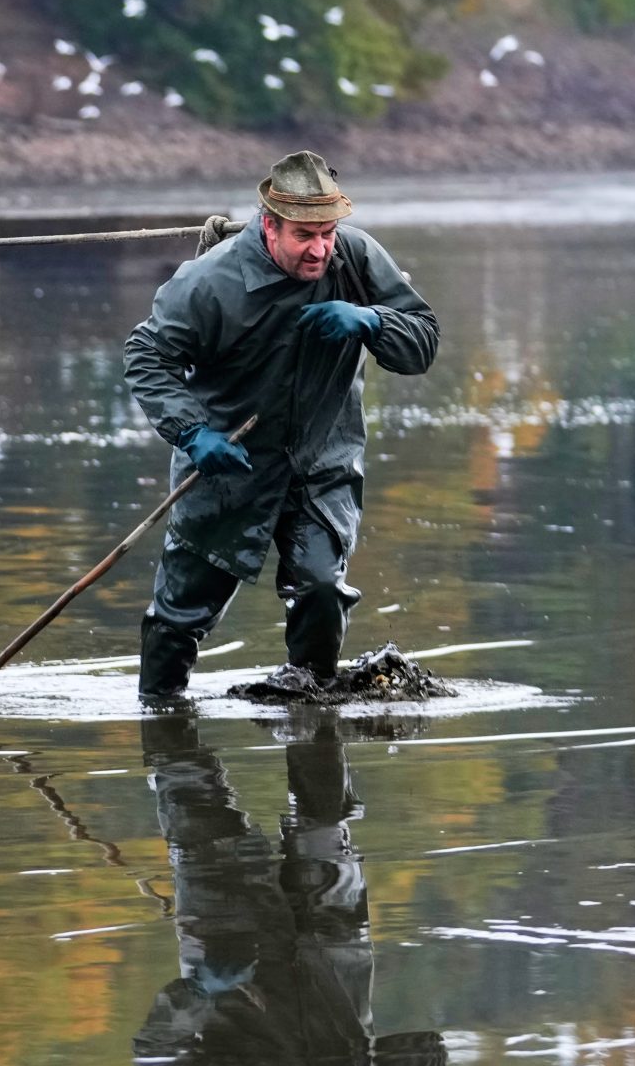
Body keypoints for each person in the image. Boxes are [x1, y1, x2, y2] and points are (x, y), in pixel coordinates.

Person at [123, 152, 439, 699]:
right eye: (304, 236)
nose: (320, 249)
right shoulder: (209, 281)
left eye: (328, 233)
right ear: (269, 226)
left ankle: (313, 714)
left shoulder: (356, 259)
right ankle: (159, 715)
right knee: (179, 617)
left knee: (320, 590)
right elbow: (146, 355)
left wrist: (372, 320)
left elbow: (423, 340)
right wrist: (192, 433)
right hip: (226, 465)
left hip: (321, 461)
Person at [132, 710, 445, 1066]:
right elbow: (429, 1051)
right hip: (331, 929)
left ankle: (163, 697)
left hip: (226, 927)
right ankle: (311, 698)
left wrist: (199, 991)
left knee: (187, 785)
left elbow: (156, 1051)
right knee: (324, 812)